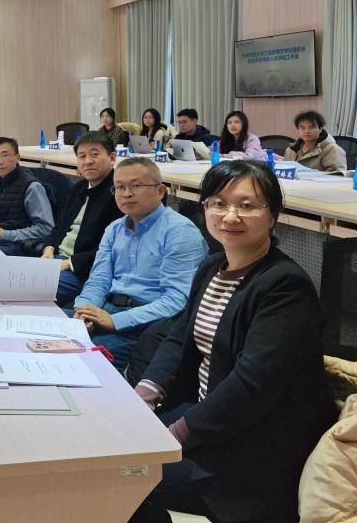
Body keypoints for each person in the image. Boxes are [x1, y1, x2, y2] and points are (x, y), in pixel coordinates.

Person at [129, 161, 336, 523]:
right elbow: (181, 335)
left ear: (273, 215)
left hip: (254, 446)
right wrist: (144, 395)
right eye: (219, 203)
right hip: (209, 417)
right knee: (108, 449)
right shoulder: (212, 267)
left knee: (120, 474)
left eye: (247, 205)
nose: (230, 216)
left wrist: (174, 435)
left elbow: (251, 387)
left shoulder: (285, 287)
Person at [71, 157, 208, 371]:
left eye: (136, 185)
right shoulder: (114, 229)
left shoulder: (180, 232)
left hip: (147, 325)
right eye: (119, 187)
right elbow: (98, 280)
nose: (126, 194)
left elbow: (176, 301)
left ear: (160, 191)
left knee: (79, 361)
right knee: (42, 337)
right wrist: (84, 309)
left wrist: (116, 321)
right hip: (106, 310)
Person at [39, 132, 123, 306]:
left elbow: (113, 248)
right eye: (82, 156)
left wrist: (69, 263)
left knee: (30, 292)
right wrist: (49, 249)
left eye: (94, 154)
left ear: (112, 158)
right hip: (55, 259)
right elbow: (60, 226)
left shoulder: (119, 193)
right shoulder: (79, 187)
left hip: (82, 270)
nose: (88, 161)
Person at [0, 138, 54, 255]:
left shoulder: (32, 187)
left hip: (17, 245)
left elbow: (46, 228)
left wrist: (5, 235)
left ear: (17, 157)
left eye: (5, 155)